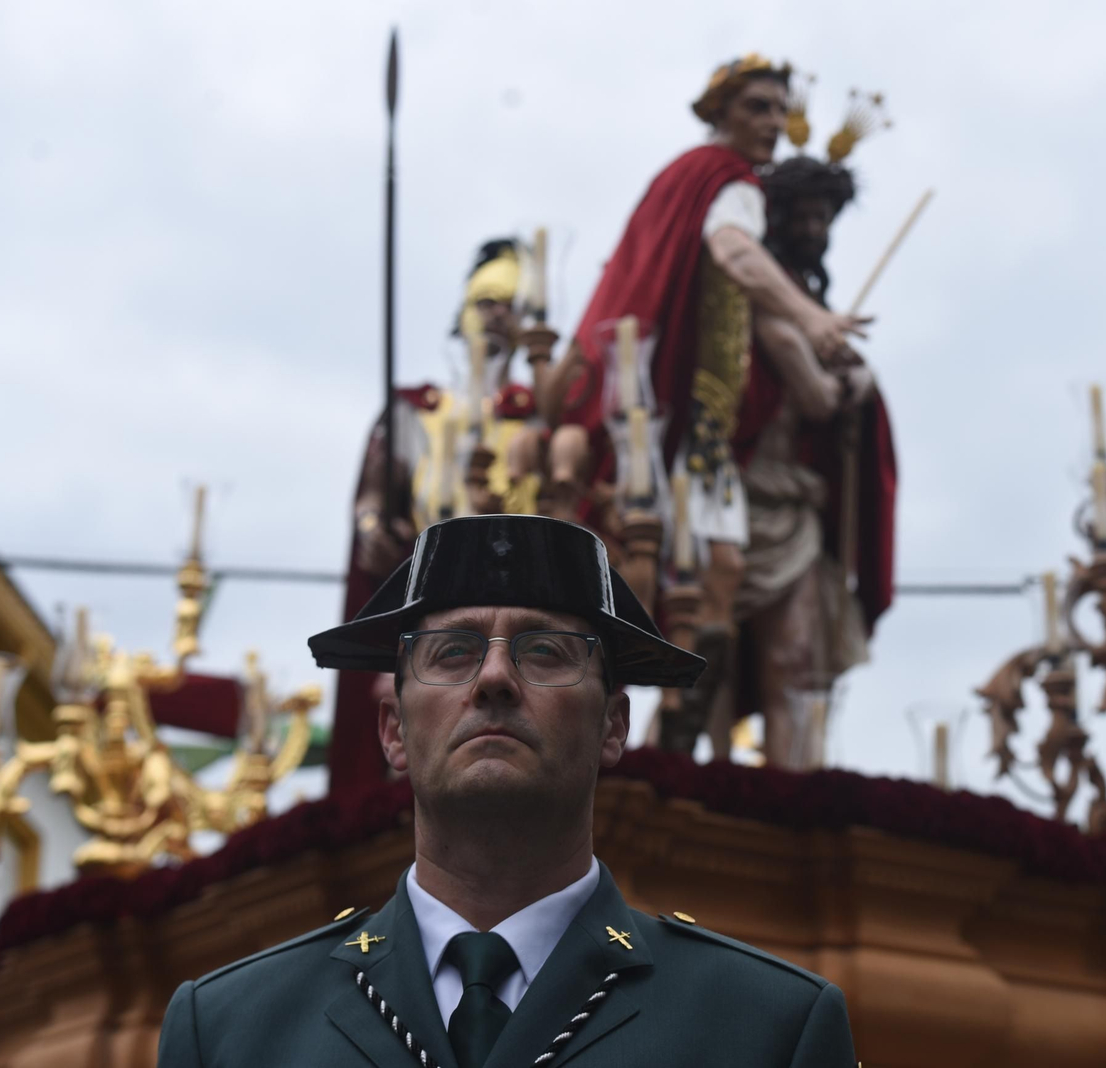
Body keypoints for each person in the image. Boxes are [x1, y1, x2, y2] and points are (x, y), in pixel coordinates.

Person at [156, 514, 857, 1068]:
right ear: (393, 730)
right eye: (453, 651)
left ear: (614, 725)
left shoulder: (765, 1027)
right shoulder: (230, 1031)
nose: (493, 678)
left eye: (544, 651)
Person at [539, 55, 870, 753]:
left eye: (780, 110)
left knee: (704, 576)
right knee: (708, 574)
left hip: (655, 406)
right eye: (757, 108)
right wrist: (813, 320)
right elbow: (735, 252)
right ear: (720, 112)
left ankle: (666, 741)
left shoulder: (678, 177)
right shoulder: (729, 183)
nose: (773, 124)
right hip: (689, 416)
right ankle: (641, 740)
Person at [716, 154, 897, 767]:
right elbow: (816, 395)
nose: (817, 232)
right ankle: (710, 775)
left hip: (794, 506)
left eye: (826, 220)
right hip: (731, 499)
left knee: (795, 654)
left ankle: (794, 785)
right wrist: (842, 384)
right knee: (710, 655)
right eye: (807, 217)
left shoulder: (808, 307)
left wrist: (859, 380)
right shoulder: (766, 304)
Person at [329, 239, 529, 796]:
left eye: (511, 303)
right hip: (430, 608)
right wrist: (372, 530)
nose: (496, 314)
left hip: (523, 616)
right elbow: (371, 498)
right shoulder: (414, 413)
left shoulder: (543, 423)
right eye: (486, 299)